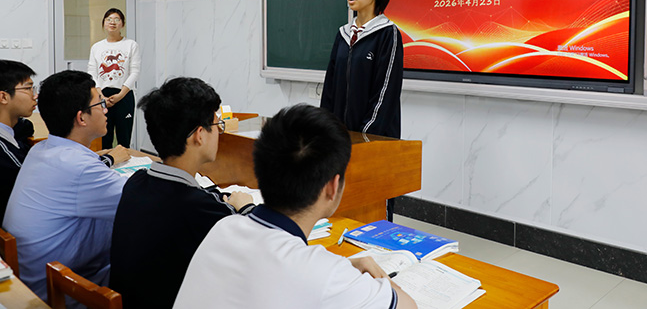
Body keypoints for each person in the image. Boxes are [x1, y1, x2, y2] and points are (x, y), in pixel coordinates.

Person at [173, 104, 417, 309]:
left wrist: (341, 268)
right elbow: (408, 306)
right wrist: (375, 279)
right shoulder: (325, 275)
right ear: (332, 187)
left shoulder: (222, 228)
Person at [110, 77, 255, 309]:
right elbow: (261, 246)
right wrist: (246, 207)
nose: (219, 132)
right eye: (217, 125)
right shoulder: (201, 210)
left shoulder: (136, 183)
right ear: (199, 135)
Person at [3, 70, 130, 302]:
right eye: (100, 103)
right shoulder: (80, 168)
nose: (106, 110)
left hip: (36, 277)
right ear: (81, 118)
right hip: (59, 293)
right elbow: (140, 203)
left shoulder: (41, 150)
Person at [321, 0, 404, 138]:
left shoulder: (387, 33)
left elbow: (385, 93)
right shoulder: (343, 34)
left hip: (374, 139)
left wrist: (365, 135)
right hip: (340, 138)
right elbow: (330, 88)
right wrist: (326, 128)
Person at [87, 8, 141, 149]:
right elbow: (92, 73)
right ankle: (105, 162)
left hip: (124, 95)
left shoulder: (131, 45)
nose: (113, 22)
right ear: (104, 23)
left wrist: (121, 95)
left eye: (117, 19)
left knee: (124, 138)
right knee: (104, 137)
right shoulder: (97, 47)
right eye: (109, 19)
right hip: (102, 96)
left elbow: (134, 72)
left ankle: (124, 162)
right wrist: (101, 96)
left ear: (122, 24)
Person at [0, 60, 37, 224]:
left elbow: (25, 127)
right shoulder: (5, 155)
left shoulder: (13, 129)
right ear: (3, 96)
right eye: (28, 89)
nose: (35, 95)